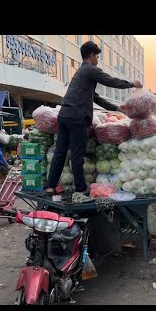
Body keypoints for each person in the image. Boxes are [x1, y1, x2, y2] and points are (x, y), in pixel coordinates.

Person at [46, 41, 142, 195]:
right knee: (77, 154)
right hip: (77, 117)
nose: (98, 60)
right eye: (97, 56)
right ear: (91, 56)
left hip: (64, 115)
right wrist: (131, 84)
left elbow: (95, 98)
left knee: (60, 152)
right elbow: (111, 81)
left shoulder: (80, 73)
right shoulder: (90, 70)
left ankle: (50, 186)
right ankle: (81, 188)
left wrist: (116, 108)